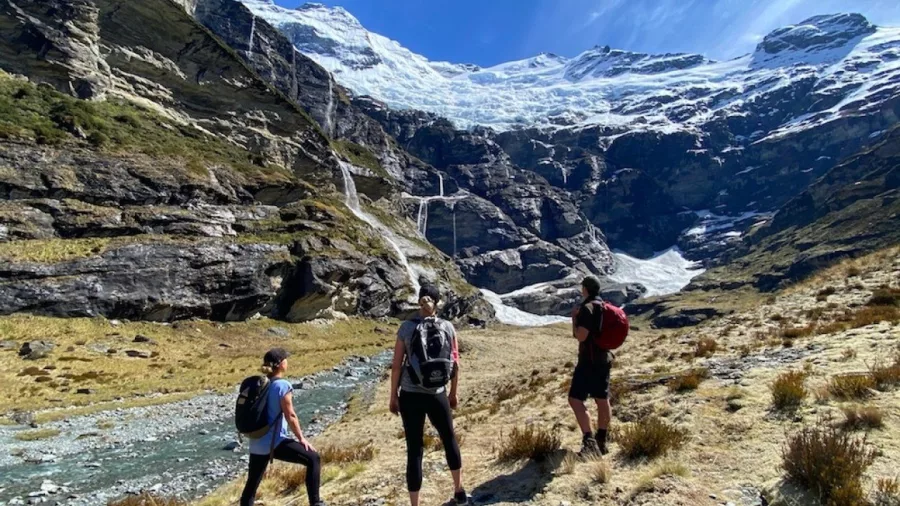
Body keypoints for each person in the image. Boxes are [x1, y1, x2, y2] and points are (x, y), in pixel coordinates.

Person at [390, 284, 469, 506]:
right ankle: (459, 491)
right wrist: (452, 394)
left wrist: (393, 396)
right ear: (438, 302)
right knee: (449, 438)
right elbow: (455, 364)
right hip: (437, 393)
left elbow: (396, 366)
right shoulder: (448, 327)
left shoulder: (406, 327)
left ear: (419, 301)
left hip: (410, 394)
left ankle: (415, 504)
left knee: (414, 449)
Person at [240, 348, 325, 506]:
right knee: (313, 458)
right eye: (286, 359)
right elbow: (290, 415)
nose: (287, 361)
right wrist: (301, 439)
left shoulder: (261, 384)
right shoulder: (282, 385)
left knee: (251, 485)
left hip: (256, 442)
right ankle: (316, 503)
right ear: (280, 364)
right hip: (275, 442)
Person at [568, 275, 613, 457]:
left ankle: (589, 442)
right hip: (604, 359)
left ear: (585, 289)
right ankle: (602, 440)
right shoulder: (604, 306)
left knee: (575, 399)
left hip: (588, 362)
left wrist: (574, 319)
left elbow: (581, 336)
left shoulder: (587, 308)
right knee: (602, 399)